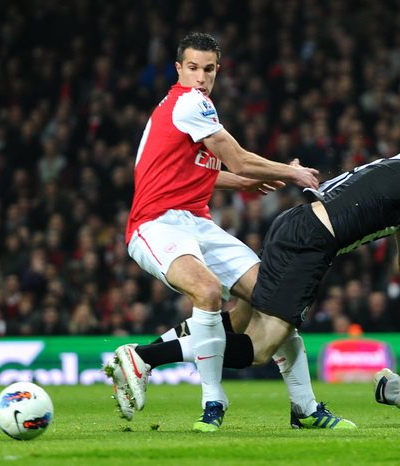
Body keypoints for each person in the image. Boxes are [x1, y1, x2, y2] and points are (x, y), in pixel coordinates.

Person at [113, 132, 400, 427]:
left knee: (246, 323)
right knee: (260, 347)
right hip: (310, 240)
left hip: (303, 230)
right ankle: (145, 357)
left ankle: (304, 411)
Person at [104, 32, 323, 433]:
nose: (200, 77)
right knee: (206, 291)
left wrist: (243, 183)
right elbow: (238, 159)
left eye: (208, 69)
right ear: (178, 69)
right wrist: (292, 172)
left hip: (196, 221)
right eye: (192, 68)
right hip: (155, 223)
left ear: (218, 70)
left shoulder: (191, 110)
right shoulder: (189, 102)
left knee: (277, 297)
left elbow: (196, 171)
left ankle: (305, 408)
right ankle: (213, 400)